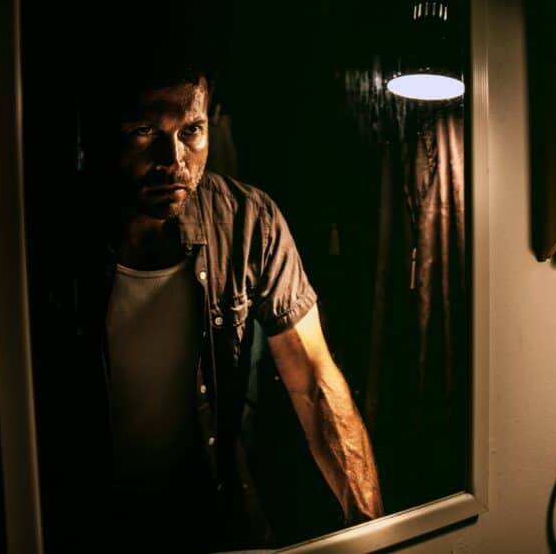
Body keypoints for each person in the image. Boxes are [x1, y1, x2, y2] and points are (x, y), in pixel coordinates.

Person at [35, 68, 383, 553]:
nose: (172, 161)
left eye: (190, 132)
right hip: (88, 524)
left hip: (215, 520)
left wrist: (372, 529)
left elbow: (313, 379)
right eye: (143, 133)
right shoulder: (48, 232)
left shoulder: (248, 222)